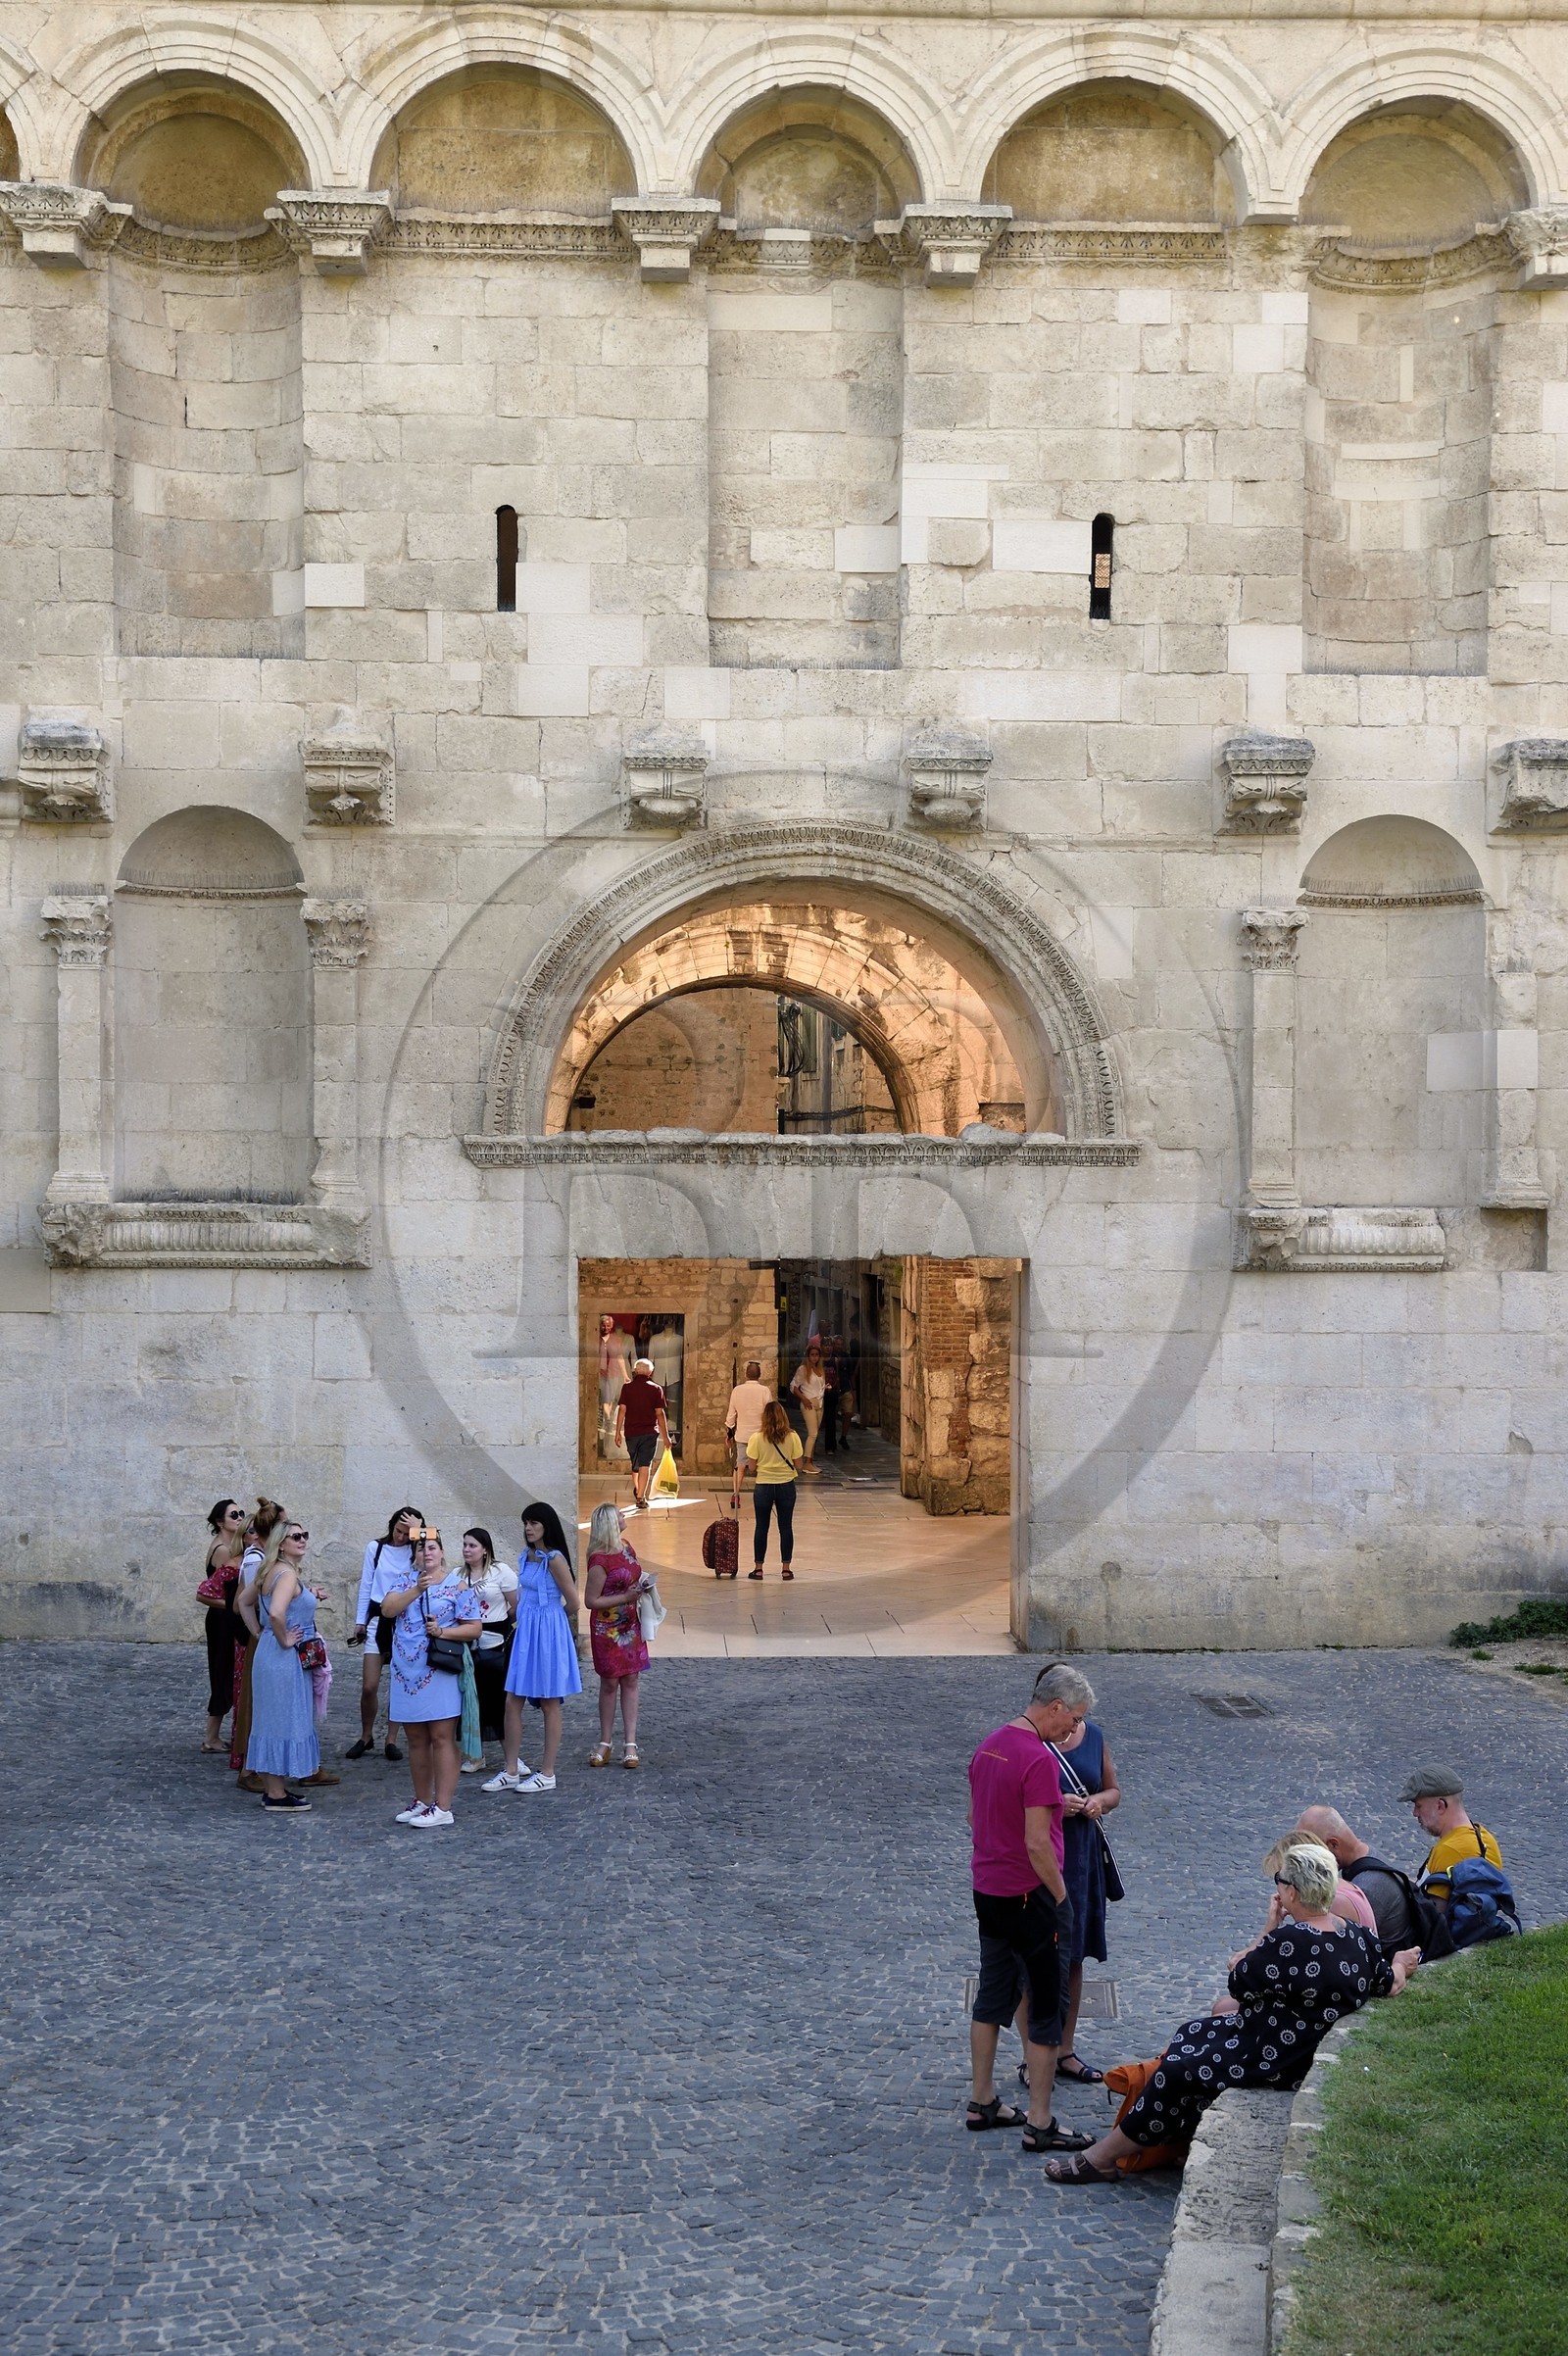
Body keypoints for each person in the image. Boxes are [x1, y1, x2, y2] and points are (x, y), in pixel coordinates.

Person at [1045, 1842, 1418, 2184]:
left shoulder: (1290, 1943)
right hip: (1295, 2043)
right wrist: (1401, 1962)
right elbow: (1388, 1981)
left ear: (1292, 1892)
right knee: (1192, 2034)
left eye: (1280, 1881)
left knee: (1179, 2069)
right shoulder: (1355, 1937)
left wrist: (1269, 1927)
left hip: (1273, 2054)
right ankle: (1171, 2138)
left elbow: (1239, 1980)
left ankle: (1102, 2156)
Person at [965, 1663, 1095, 2153]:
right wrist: (1061, 1899)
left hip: (989, 1890)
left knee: (992, 1995)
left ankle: (982, 2101)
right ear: (1055, 1707)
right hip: (1030, 1899)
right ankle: (1040, 2121)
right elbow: (1038, 1844)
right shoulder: (1038, 1759)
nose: (1073, 1730)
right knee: (1044, 2006)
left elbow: (974, 1816)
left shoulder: (989, 1745)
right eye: (1072, 1719)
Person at [379, 1528, 483, 1830]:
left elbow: (474, 1628)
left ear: (441, 1553)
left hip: (438, 1670)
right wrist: (416, 1590)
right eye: (422, 1548)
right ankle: (422, 1800)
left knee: (440, 1737)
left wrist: (443, 1631)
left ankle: (444, 1805)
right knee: (415, 1739)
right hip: (405, 1671)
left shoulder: (458, 1585)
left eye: (433, 1547)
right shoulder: (403, 1581)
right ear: (415, 1555)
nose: (427, 1552)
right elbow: (387, 1609)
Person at [1048, 1699, 1123, 2085]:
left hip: (1083, 1859)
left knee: (1074, 1956)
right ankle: (1035, 2055)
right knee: (1036, 1962)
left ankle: (1065, 2049)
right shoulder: (1033, 1743)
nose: (1079, 1720)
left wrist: (1098, 1802)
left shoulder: (1093, 1736)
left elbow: (1113, 1791)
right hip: (1045, 1856)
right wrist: (1054, 1805)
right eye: (1074, 1711)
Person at [485, 1503, 581, 1794]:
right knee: (512, 1699)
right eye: (526, 1522)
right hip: (527, 1633)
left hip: (547, 1633)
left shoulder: (554, 1559)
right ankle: (511, 1768)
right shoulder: (526, 1556)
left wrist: (552, 1625)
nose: (528, 1528)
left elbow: (574, 1601)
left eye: (534, 1523)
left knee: (549, 1702)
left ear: (546, 1526)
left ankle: (548, 1772)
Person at [242, 1521, 320, 1812]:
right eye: (296, 1536)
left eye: (305, 1534)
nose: (302, 1540)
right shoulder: (285, 1574)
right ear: (281, 1543)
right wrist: (282, 1637)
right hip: (284, 1658)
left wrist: (259, 1633)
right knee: (282, 1719)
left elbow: (244, 1601)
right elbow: (275, 1611)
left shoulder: (270, 1571)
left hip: (269, 1654)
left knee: (271, 1719)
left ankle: (275, 1789)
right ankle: (275, 1794)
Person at [345, 1505, 422, 1762]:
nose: (401, 1537)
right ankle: (366, 1735)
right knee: (369, 1686)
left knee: (399, 1682)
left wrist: (420, 1529)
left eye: (406, 1532)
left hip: (405, 1620)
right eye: (398, 1531)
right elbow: (367, 1583)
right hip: (378, 1618)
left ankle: (391, 1739)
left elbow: (436, 1549)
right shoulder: (375, 1548)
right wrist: (360, 1621)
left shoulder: (418, 1551)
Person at [1292, 1804, 1422, 1955]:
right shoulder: (1367, 1855)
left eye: (1313, 1852)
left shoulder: (1368, 1887)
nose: (1309, 1862)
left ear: (1333, 1844)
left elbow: (1332, 1949)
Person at [583, 1500, 653, 1768]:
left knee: (632, 1679)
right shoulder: (599, 1560)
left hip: (630, 1623)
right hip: (608, 1627)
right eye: (620, 1514)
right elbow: (591, 1601)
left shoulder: (627, 1547)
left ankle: (631, 1742)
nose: (624, 1516)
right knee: (610, 1682)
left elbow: (633, 1575)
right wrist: (625, 1596)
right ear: (610, 1522)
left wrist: (642, 1586)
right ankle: (606, 1740)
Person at [230, 1497, 286, 1791]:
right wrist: (258, 1632)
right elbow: (248, 1602)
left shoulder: (272, 1559)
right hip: (266, 1637)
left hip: (274, 1636)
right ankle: (249, 1768)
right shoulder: (256, 1560)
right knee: (255, 1702)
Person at [1399, 1765, 1502, 1902]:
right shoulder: (1485, 1837)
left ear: (1440, 1806)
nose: (1415, 1813)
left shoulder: (1449, 1850)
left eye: (1419, 1806)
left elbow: (1433, 1915)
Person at [462, 1527, 517, 1772]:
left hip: (495, 1645)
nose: (467, 1549)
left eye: (472, 1545)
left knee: (500, 1702)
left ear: (485, 1549)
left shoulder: (500, 1572)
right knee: (472, 1701)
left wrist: (501, 1625)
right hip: (468, 1647)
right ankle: (476, 1756)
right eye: (464, 1545)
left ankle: (512, 1760)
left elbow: (516, 1605)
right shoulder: (457, 1576)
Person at [199, 1498, 247, 1752]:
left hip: (226, 1618)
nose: (239, 1518)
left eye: (241, 1513)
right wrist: (233, 1606)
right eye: (234, 1515)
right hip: (222, 1621)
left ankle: (214, 1735)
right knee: (222, 1674)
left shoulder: (230, 1546)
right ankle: (211, 1737)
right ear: (220, 1522)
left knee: (226, 1672)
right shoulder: (223, 1550)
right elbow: (210, 1593)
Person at [746, 1399, 803, 1580]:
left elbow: (752, 1467)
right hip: (786, 1485)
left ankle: (758, 1568)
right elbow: (799, 1465)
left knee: (761, 1527)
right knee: (785, 1527)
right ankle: (786, 1569)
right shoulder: (793, 1437)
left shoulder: (756, 1438)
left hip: (763, 1485)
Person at [614, 1356, 670, 1511]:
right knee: (645, 1464)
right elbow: (659, 1414)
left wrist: (618, 1431)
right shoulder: (656, 1389)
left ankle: (639, 1490)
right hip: (649, 1432)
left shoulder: (627, 1388)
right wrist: (665, 1437)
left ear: (635, 1371)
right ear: (651, 1372)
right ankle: (640, 1496)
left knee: (636, 1464)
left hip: (631, 1432)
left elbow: (622, 1410)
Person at [725, 1359, 772, 1511]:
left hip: (743, 1435)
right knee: (763, 1466)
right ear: (759, 1375)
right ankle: (765, 1496)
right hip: (761, 1435)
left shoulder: (737, 1390)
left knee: (740, 1465)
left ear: (746, 1374)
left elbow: (731, 1414)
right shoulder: (765, 1391)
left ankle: (736, 1494)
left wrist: (729, 1433)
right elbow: (769, 1413)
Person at [599, 1314, 634, 1449]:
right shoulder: (597, 1338)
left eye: (608, 1325)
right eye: (604, 1324)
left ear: (612, 1326)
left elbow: (620, 1357)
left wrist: (625, 1375)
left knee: (613, 1400)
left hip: (613, 1373)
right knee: (604, 1400)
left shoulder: (615, 1340)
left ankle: (610, 1425)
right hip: (600, 1374)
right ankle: (605, 1425)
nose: (606, 1327)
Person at [790, 1340, 827, 1467]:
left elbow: (818, 1386)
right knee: (813, 1433)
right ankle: (807, 1462)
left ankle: (811, 1459)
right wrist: (803, 1398)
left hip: (820, 1403)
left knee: (815, 1433)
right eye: (812, 1355)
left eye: (817, 1355)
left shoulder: (820, 1369)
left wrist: (826, 1387)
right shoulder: (803, 1369)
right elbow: (793, 1386)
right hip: (809, 1402)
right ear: (808, 1356)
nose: (814, 1357)